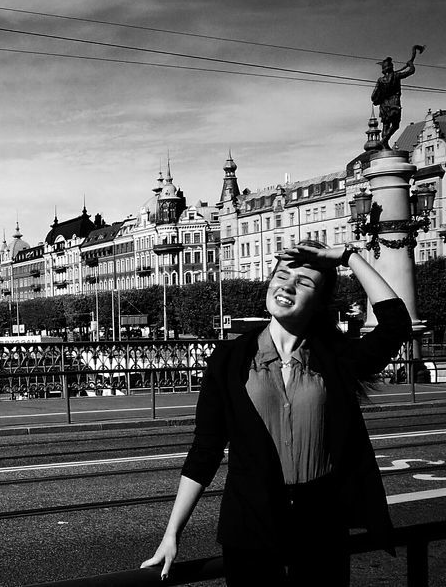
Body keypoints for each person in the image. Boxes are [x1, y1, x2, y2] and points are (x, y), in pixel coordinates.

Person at [140, 240, 411, 586]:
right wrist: (171, 533)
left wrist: (346, 256)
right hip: (249, 525)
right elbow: (205, 451)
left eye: (304, 282)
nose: (287, 285)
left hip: (321, 527)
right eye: (282, 276)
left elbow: (395, 324)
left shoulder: (336, 357)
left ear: (318, 302)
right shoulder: (228, 359)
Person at [371, 50, 419, 148]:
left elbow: (373, 95)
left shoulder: (380, 80)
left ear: (383, 69)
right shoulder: (396, 76)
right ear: (391, 67)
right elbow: (411, 71)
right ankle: (384, 140)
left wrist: (377, 100)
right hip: (394, 104)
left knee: (386, 125)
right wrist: (410, 64)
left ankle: (384, 144)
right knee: (395, 125)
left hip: (384, 106)